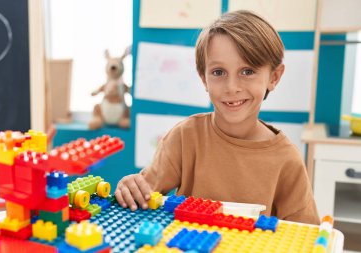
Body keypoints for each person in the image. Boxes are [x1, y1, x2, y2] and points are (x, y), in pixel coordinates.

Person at [115, 10, 319, 224]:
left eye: (247, 71)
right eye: (219, 72)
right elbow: (142, 194)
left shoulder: (287, 160)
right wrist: (130, 187)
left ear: (274, 77)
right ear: (204, 77)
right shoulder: (184, 137)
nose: (232, 88)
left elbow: (307, 236)